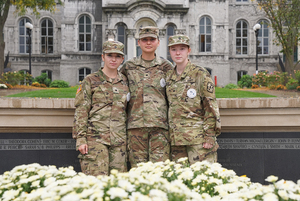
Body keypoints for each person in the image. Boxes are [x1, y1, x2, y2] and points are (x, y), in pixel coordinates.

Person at [72, 40, 129, 176]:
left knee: (118, 185)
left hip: (119, 141)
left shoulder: (126, 82)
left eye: (117, 56)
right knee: (96, 184)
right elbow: (81, 110)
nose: (113, 59)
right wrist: (81, 139)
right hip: (95, 140)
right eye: (110, 55)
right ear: (103, 57)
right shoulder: (90, 80)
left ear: (122, 59)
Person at [120, 26, 173, 168]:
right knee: (138, 171)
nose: (148, 43)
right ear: (139, 42)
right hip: (135, 126)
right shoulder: (129, 67)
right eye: (144, 40)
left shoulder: (166, 67)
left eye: (152, 39)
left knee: (160, 170)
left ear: (158, 42)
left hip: (160, 127)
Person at [166, 35, 221, 164]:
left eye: (182, 49)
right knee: (179, 181)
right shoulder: (169, 76)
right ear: (169, 52)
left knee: (203, 179)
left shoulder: (200, 73)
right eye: (173, 49)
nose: (178, 53)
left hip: (198, 140)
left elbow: (210, 106)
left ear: (189, 50)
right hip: (177, 141)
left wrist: (209, 136)